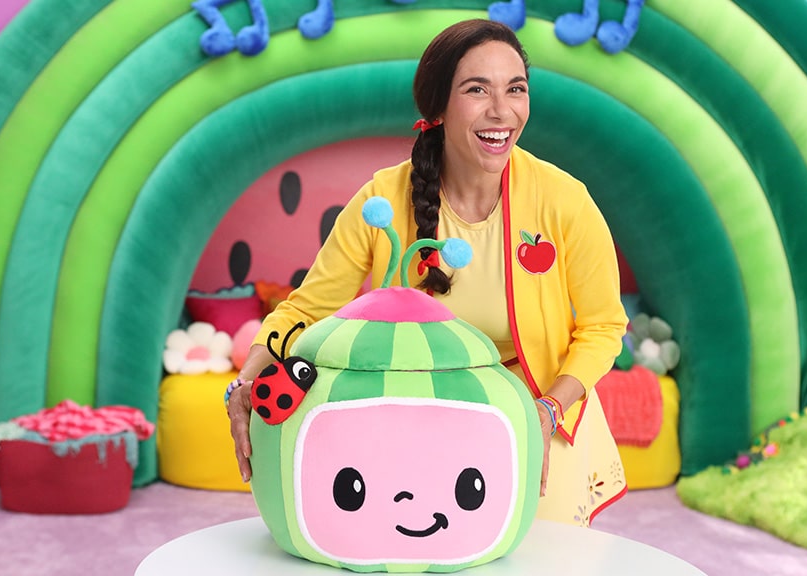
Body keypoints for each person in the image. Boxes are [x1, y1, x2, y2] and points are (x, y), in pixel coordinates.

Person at [226, 18, 628, 527]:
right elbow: (306, 310)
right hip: (418, 413)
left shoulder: (565, 200)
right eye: (477, 89)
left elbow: (603, 327)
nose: (501, 110)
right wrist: (244, 382)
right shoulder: (381, 201)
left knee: (543, 547)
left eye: (516, 89)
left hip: (541, 407)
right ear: (438, 107)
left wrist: (548, 409)